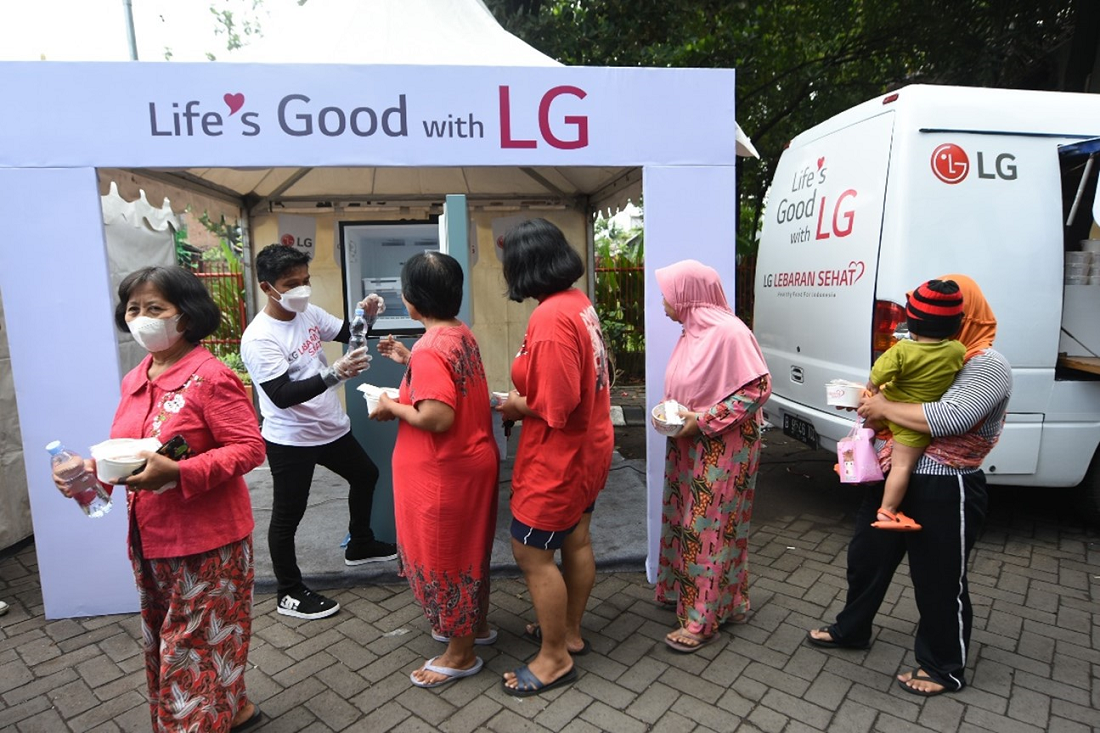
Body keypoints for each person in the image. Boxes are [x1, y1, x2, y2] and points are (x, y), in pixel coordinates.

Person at [53, 266, 266, 732]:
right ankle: (237, 707)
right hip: (150, 543)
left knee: (189, 652)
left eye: (155, 308)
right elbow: (127, 452)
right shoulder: (137, 379)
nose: (142, 318)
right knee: (185, 642)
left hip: (209, 546)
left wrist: (182, 471)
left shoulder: (210, 377)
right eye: (134, 309)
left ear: (185, 316)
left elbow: (250, 447)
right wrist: (89, 476)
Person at [807, 274, 1011, 697]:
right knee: (866, 556)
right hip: (891, 477)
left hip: (946, 487)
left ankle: (943, 667)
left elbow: (950, 418)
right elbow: (895, 389)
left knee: (939, 580)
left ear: (966, 317)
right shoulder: (924, 348)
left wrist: (885, 404)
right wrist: (870, 404)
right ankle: (852, 629)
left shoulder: (988, 365)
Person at [241, 244, 397, 622]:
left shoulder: (306, 312)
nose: (301, 289)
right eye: (291, 283)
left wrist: (366, 317)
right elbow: (280, 396)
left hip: (328, 426)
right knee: (287, 516)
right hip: (291, 438)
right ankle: (288, 591)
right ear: (267, 287)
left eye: (305, 281)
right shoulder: (260, 337)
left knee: (366, 474)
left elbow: (348, 333)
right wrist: (334, 374)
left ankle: (359, 544)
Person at [370, 251, 500, 688]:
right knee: (467, 553)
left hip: (443, 476)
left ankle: (460, 654)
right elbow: (451, 386)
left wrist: (391, 404)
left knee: (445, 558)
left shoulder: (432, 348)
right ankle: (473, 627)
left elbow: (437, 417)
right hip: (468, 465)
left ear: (409, 300)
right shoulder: (458, 334)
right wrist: (410, 361)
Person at [497, 218, 614, 697]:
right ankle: (568, 631)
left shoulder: (548, 320)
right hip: (591, 446)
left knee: (531, 551)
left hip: (560, 456)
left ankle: (554, 658)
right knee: (577, 539)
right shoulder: (577, 302)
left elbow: (556, 407)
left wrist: (513, 405)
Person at [652, 260, 772, 653]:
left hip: (723, 444)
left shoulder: (728, 332)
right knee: (692, 520)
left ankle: (702, 621)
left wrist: (701, 420)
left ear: (688, 295)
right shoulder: (695, 331)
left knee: (708, 528)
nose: (664, 301)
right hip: (691, 441)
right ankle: (726, 601)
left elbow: (757, 389)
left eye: (668, 293)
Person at [864, 279, 965, 532]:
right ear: (955, 325)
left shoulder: (902, 350)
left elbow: (878, 375)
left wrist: (873, 390)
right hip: (914, 423)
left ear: (913, 322)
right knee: (902, 467)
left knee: (867, 427)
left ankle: (854, 465)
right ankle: (887, 512)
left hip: (888, 404)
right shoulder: (957, 350)